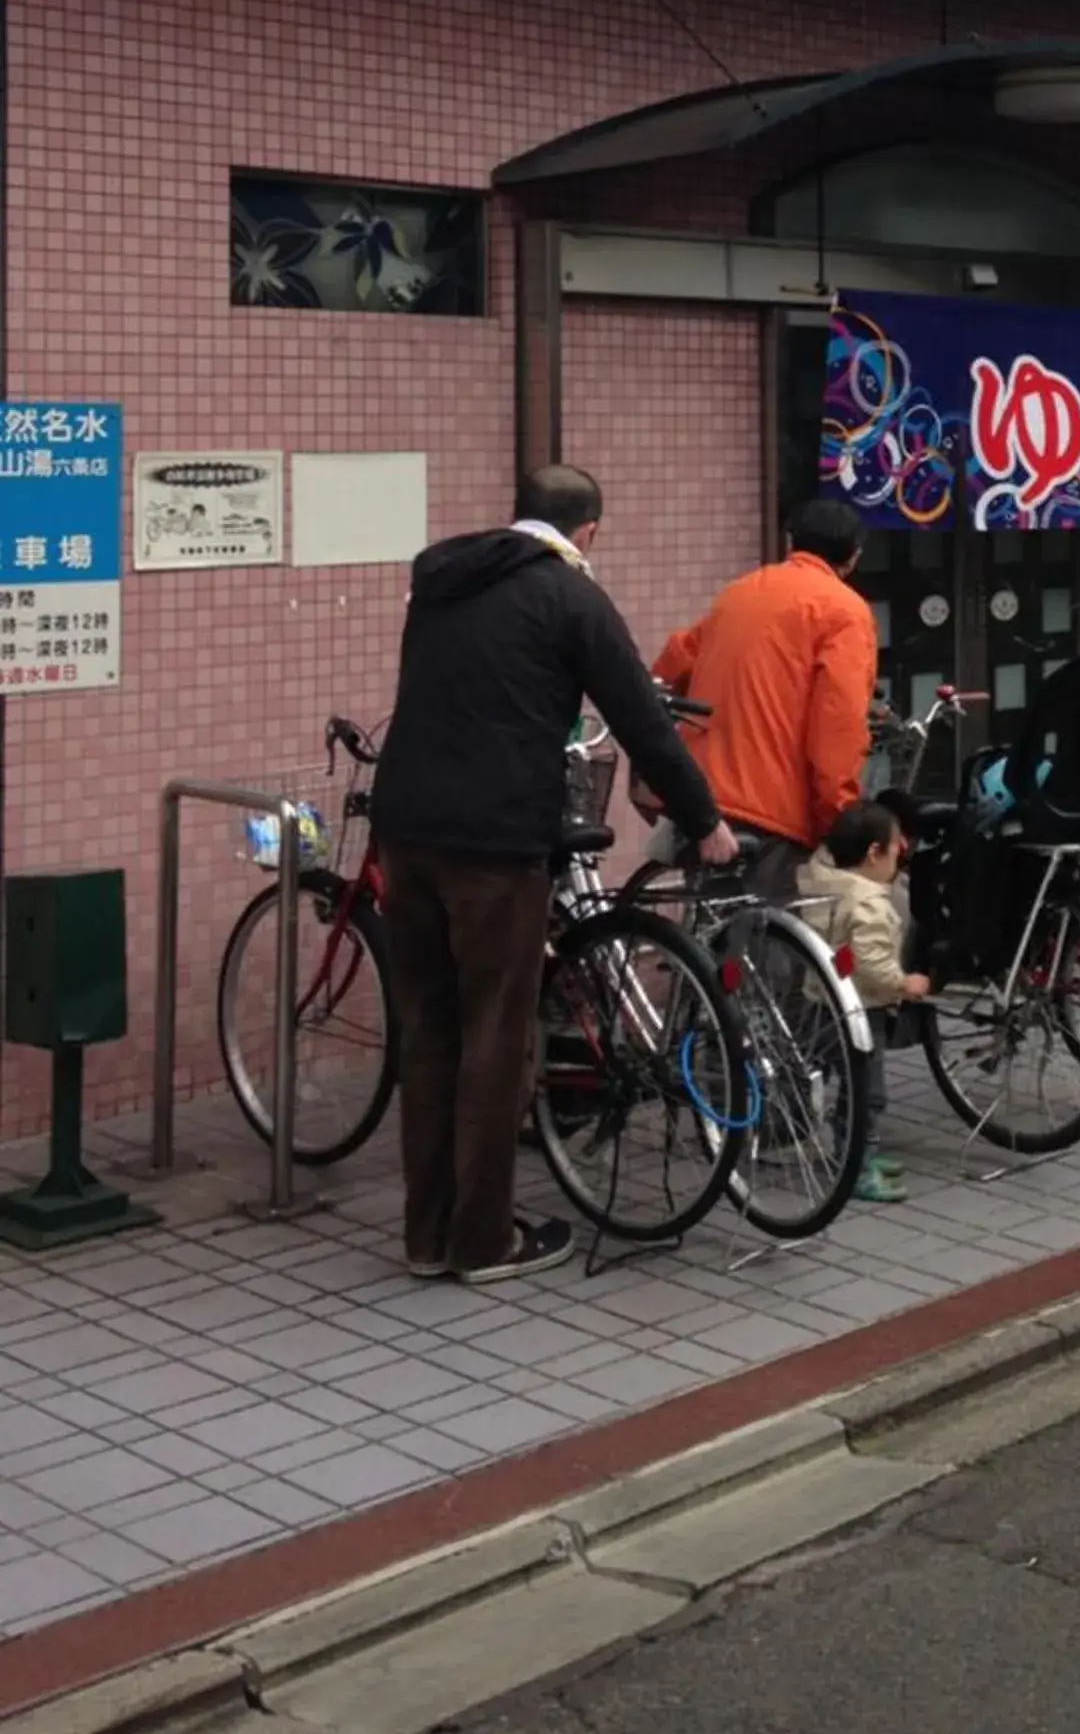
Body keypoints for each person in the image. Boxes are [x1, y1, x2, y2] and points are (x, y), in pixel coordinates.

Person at [371, 464, 731, 1284]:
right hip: (494, 844)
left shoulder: (443, 577)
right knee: (495, 1036)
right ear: (589, 532)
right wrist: (704, 822)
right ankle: (483, 1241)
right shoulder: (571, 598)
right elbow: (642, 721)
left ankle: (425, 1236)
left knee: (429, 1030)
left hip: (405, 828)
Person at [651, 498, 879, 908]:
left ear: (791, 541)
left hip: (703, 799)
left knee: (710, 938)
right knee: (767, 950)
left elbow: (671, 665)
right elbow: (837, 725)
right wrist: (837, 818)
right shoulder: (844, 611)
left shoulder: (739, 593)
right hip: (773, 810)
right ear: (853, 556)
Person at [801, 798, 929, 1203]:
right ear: (874, 853)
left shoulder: (822, 882)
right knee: (867, 1095)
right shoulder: (869, 903)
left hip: (821, 1000)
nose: (900, 858)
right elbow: (872, 963)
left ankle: (845, 1151)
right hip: (862, 1010)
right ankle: (857, 1167)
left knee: (828, 1072)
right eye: (897, 850)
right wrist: (904, 983)